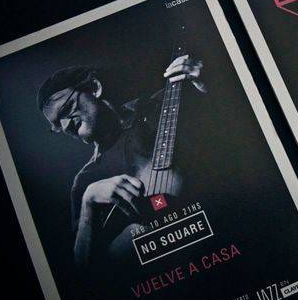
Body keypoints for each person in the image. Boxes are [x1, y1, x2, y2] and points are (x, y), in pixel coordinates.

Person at [37, 55, 205, 267]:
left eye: (66, 109)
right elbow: (84, 271)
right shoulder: (87, 179)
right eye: (57, 125)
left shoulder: (161, 105)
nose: (65, 125)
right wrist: (88, 202)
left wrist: (204, 84)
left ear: (94, 88)